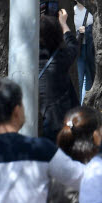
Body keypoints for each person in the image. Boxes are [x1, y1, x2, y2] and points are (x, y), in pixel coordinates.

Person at [39, 10, 80, 142]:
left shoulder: (28, 60)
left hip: (42, 122)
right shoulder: (61, 59)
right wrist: (63, 23)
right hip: (63, 122)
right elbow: (73, 45)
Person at [73, 1, 95, 102]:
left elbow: (97, 27)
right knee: (80, 78)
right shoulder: (72, 10)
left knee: (90, 78)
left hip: (90, 47)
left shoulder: (90, 10)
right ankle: (79, 105)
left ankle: (86, 104)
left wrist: (87, 30)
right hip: (79, 49)